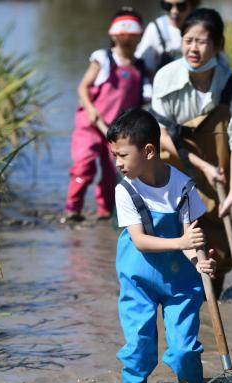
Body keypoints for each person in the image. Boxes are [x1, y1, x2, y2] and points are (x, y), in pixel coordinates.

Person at [108, 108, 216, 383]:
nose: (117, 163)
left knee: (184, 349)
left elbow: (192, 241)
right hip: (138, 279)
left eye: (122, 155)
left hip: (180, 281)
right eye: (115, 155)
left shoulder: (183, 186)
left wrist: (200, 262)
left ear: (148, 151)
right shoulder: (125, 190)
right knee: (138, 349)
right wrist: (181, 243)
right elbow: (141, 241)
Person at [151, 8, 232, 297]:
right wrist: (199, 166)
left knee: (217, 249)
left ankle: (213, 306)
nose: (193, 48)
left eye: (201, 41)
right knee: (172, 239)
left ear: (218, 45)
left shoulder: (230, 84)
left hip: (214, 175)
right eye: (187, 40)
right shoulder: (166, 77)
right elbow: (161, 135)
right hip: (171, 167)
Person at [62, 8, 150, 224]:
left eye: (132, 36)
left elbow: (145, 99)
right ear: (113, 36)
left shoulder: (140, 67)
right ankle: (73, 210)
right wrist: (91, 110)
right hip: (90, 125)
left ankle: (105, 213)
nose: (127, 40)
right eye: (122, 36)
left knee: (114, 172)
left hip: (118, 132)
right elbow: (83, 87)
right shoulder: (103, 59)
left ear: (139, 37)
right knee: (84, 166)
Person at [135, 0, 201, 77]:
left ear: (192, 5)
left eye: (181, 6)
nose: (174, 11)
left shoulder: (203, 27)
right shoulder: (156, 28)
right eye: (167, 6)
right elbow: (146, 66)